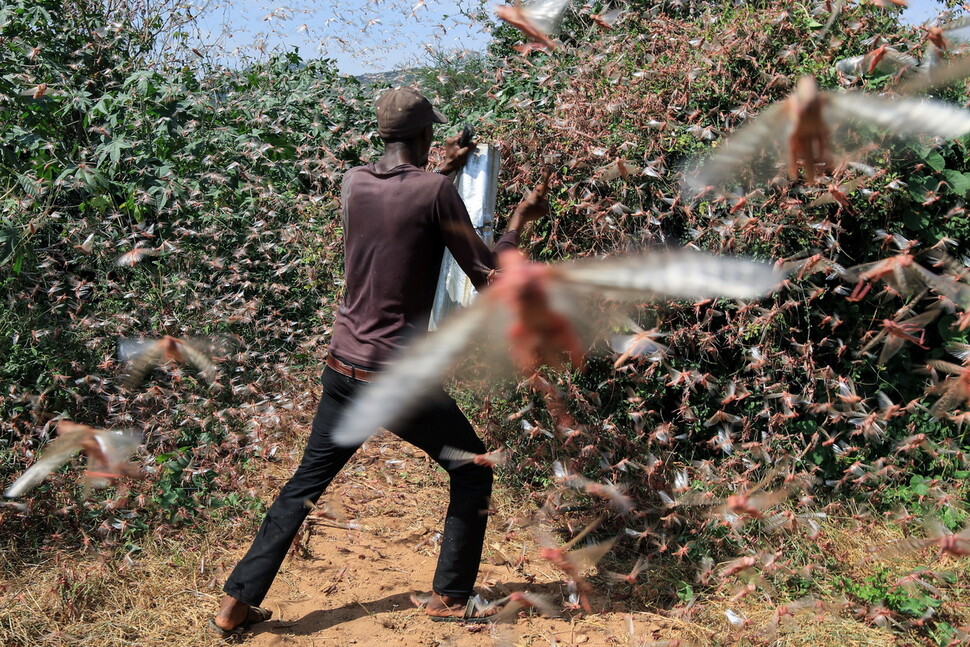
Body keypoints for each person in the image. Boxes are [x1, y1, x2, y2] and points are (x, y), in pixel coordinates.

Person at [211, 87, 547, 637]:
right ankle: (448, 597)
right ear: (425, 136)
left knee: (304, 485)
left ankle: (236, 604)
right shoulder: (436, 192)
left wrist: (445, 168)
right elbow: (490, 277)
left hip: (343, 366)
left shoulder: (352, 182)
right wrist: (519, 221)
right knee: (471, 467)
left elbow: (400, 206)